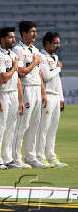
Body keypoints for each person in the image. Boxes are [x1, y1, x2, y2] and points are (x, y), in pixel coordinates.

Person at [12, 21, 49, 169]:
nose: (35, 34)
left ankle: (31, 157)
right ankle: (16, 158)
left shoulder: (36, 50)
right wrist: (34, 62)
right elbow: (21, 72)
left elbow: (38, 73)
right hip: (25, 88)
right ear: (24, 33)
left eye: (35, 31)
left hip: (36, 90)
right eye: (32, 31)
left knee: (35, 125)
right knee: (23, 125)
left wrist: (43, 93)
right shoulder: (18, 50)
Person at [0, 27, 24, 169]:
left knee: (11, 128)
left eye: (13, 37)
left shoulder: (12, 55)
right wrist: (14, 67)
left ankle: (8, 158)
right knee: (1, 127)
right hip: (4, 93)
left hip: (13, 95)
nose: (14, 39)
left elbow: (17, 79)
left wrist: (21, 100)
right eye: (10, 37)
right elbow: (3, 78)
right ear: (2, 39)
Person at [38, 32, 67, 167]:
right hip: (47, 96)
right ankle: (40, 157)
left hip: (55, 97)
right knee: (44, 128)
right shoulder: (42, 57)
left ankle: (51, 156)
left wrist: (61, 98)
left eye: (58, 43)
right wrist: (58, 68)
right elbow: (46, 76)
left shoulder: (54, 57)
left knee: (53, 129)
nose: (58, 45)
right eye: (55, 43)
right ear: (47, 43)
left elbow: (57, 80)